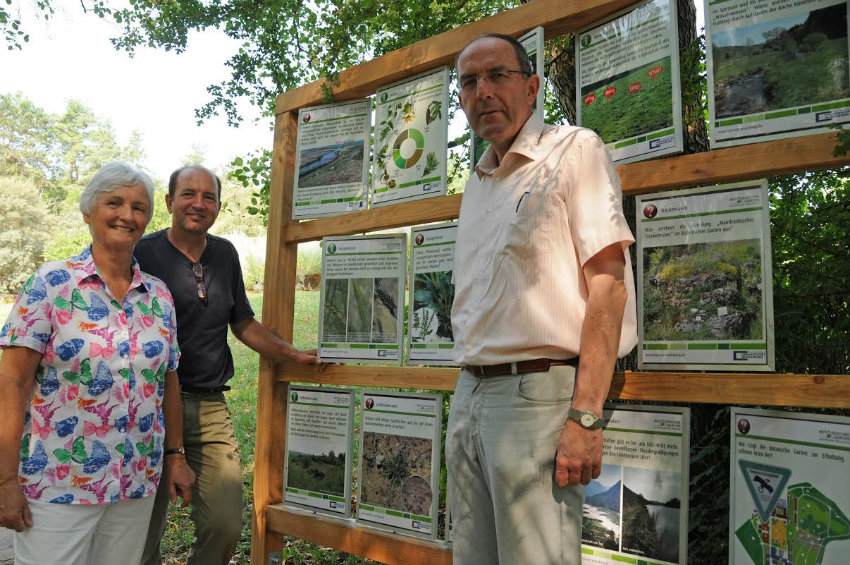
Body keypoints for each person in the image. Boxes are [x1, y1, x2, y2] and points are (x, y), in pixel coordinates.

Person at [446, 35, 638, 565]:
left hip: (538, 398)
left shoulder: (575, 150)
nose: (482, 91)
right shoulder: (478, 181)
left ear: (531, 87)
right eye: (469, 81)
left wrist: (587, 417)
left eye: (496, 76)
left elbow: (608, 284)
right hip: (468, 394)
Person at [0, 162, 195, 565]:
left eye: (139, 207)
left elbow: (168, 382)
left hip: (135, 482)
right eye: (115, 202)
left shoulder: (158, 295)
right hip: (58, 482)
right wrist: (4, 480)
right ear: (89, 210)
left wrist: (176, 456)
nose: (128, 215)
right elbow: (11, 384)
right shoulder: (51, 285)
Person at [136, 165, 323, 565]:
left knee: (224, 524)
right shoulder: (144, 253)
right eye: (188, 194)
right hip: (146, 408)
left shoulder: (224, 254)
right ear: (169, 202)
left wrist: (291, 354)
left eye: (209, 197)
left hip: (208, 406)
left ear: (218, 207)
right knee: (141, 533)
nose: (198, 204)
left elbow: (242, 323)